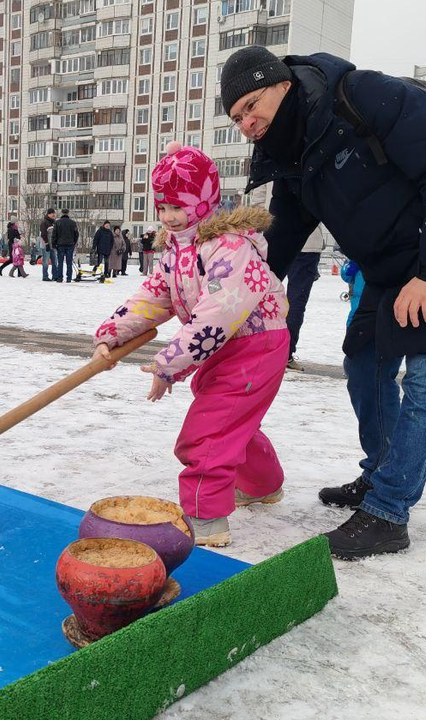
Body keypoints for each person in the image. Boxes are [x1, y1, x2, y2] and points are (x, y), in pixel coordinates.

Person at [222, 47, 426, 558]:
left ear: (283, 85)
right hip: (390, 265)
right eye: (237, 118)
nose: (247, 123)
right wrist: (246, 294)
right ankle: (382, 471)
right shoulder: (288, 149)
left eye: (253, 105)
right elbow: (285, 231)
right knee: (364, 360)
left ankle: (389, 511)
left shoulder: (365, 97)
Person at [92, 142, 290, 547]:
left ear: (204, 201)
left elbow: (218, 313)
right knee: (232, 421)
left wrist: (169, 364)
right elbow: (153, 296)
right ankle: (262, 485)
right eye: (162, 207)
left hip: (256, 345)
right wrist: (111, 334)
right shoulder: (178, 250)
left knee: (207, 433)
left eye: (177, 207)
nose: (167, 216)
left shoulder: (232, 248)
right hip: (225, 347)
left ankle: (206, 520)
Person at [284, 227, 324, 371]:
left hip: (275, 239)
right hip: (307, 244)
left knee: (261, 294)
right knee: (296, 301)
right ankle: (285, 353)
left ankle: (257, 347)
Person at [52, 208, 79, 282]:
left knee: (60, 262)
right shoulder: (73, 223)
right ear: (68, 213)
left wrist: (54, 244)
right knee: (69, 262)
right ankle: (69, 278)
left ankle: (60, 278)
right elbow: (76, 234)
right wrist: (74, 242)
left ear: (61, 213)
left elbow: (54, 234)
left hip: (60, 245)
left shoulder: (57, 223)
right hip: (70, 244)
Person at [39, 208, 56, 282]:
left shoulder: (54, 222)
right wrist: (47, 244)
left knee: (55, 261)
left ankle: (55, 275)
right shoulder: (44, 222)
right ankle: (45, 276)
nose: (53, 215)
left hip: (53, 245)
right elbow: (43, 234)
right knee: (45, 261)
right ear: (48, 214)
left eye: (54, 213)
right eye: (52, 213)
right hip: (46, 245)